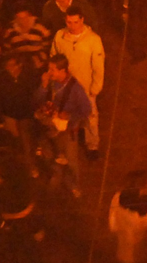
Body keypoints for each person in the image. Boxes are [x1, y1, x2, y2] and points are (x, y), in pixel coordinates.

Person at [33, 54, 93, 197]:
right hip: (50, 126)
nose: (49, 72)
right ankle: (54, 174)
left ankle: (73, 184)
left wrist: (70, 117)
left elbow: (87, 110)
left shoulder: (76, 89)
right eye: (49, 68)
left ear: (63, 70)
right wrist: (43, 86)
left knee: (71, 160)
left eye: (53, 69)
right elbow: (36, 101)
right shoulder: (51, 83)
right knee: (49, 154)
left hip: (68, 130)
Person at [51, 8, 105, 157]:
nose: (72, 25)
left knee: (91, 118)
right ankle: (67, 146)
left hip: (86, 87)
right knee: (65, 114)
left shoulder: (93, 40)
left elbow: (98, 66)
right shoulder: (60, 37)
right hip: (66, 87)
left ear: (82, 20)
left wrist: (96, 87)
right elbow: (54, 57)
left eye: (75, 22)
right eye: (69, 22)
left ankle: (92, 146)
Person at [107, 171, 147, 263]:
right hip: (140, 257)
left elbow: (113, 226)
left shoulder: (116, 200)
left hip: (122, 254)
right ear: (146, 185)